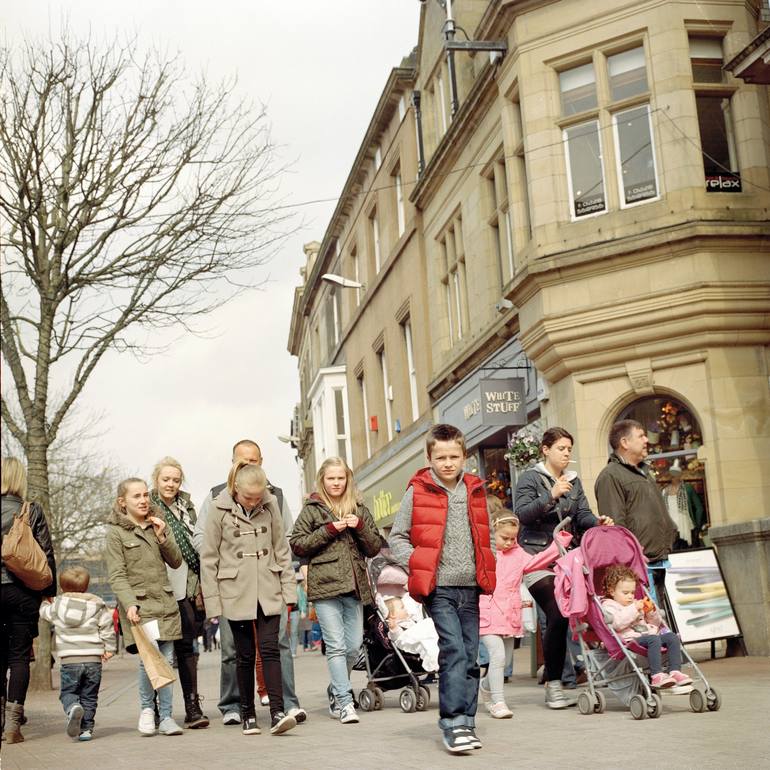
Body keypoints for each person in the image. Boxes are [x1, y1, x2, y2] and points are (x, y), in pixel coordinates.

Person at [388, 424, 496, 755]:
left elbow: (484, 534)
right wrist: (420, 562)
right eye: (440, 457)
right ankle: (451, 723)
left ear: (464, 456)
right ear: (429, 457)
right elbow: (397, 537)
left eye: (453, 456)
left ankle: (467, 721)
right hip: (440, 588)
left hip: (470, 588)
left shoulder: (475, 490)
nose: (448, 463)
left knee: (473, 656)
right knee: (453, 651)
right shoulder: (418, 491)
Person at [192, 439, 306, 725]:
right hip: (234, 587)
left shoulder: (274, 497)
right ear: (233, 463)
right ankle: (237, 707)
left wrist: (288, 590)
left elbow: (284, 544)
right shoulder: (216, 498)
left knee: (275, 647)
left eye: (253, 460)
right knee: (236, 651)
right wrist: (219, 587)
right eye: (242, 461)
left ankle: (283, 706)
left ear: (261, 460)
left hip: (267, 586)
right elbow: (204, 547)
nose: (249, 465)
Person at [514, 426, 613, 710]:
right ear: (545, 450)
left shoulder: (573, 480)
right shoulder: (530, 478)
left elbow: (581, 514)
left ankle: (589, 670)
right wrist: (551, 495)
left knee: (576, 615)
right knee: (556, 615)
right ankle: (554, 685)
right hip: (536, 557)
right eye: (561, 448)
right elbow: (522, 514)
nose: (567, 454)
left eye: (569, 449)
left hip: (565, 557)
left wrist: (597, 521)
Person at [290, 457, 382, 726]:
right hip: (325, 585)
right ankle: (344, 702)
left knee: (353, 646)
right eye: (331, 478)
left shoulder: (359, 507)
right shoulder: (313, 509)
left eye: (340, 478)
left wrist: (360, 527)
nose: (336, 483)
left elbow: (374, 547)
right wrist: (329, 530)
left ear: (348, 479)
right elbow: (297, 544)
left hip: (354, 586)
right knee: (336, 646)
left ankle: (334, 689)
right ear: (322, 479)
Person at [104, 477, 184, 737]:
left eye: (145, 495)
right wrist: (129, 603)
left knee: (168, 660)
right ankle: (148, 710)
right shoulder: (116, 532)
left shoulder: (158, 524)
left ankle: (168, 717)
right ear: (122, 502)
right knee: (148, 662)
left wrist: (162, 536)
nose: (143, 500)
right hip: (139, 607)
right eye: (136, 496)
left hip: (165, 604)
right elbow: (117, 575)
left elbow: (176, 561)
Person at [478, 510, 573, 719]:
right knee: (498, 656)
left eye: (513, 538)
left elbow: (537, 561)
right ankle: (499, 702)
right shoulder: (482, 552)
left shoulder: (518, 554)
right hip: (487, 612)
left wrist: (559, 542)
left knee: (504, 660)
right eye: (505, 538)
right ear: (492, 532)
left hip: (509, 615)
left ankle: (485, 686)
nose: (510, 542)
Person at [1, 457, 57, 744]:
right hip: (21, 592)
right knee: (19, 656)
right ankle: (13, 726)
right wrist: (50, 592)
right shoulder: (30, 509)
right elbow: (45, 553)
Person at [149, 457, 209, 729]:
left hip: (186, 582)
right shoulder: (147, 505)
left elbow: (197, 538)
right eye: (166, 479)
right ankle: (153, 709)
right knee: (156, 650)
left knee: (187, 647)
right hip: (158, 584)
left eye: (175, 479)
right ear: (156, 480)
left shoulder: (187, 506)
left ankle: (192, 706)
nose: (171, 484)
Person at [595, 420, 678, 602]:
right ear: (625, 443)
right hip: (639, 569)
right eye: (640, 436)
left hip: (660, 561)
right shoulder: (610, 476)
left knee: (661, 623)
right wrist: (631, 565)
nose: (646, 440)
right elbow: (615, 529)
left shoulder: (644, 472)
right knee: (648, 624)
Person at [39, 566, 116, 741]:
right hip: (93, 660)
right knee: (89, 695)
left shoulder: (58, 605)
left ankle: (73, 707)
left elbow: (44, 613)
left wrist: (44, 601)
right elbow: (107, 628)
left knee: (68, 692)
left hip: (69, 660)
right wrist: (109, 649)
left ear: (62, 587)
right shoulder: (97, 605)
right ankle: (86, 730)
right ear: (86, 586)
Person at [601, 565, 692, 687]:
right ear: (612, 591)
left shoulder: (635, 603)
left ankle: (675, 671)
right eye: (625, 593)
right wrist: (634, 608)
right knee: (653, 639)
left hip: (647, 636)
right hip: (629, 640)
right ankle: (656, 675)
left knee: (672, 637)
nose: (630, 596)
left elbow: (655, 624)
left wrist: (651, 612)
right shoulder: (609, 606)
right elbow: (617, 623)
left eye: (632, 592)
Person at [661, 464, 705, 549]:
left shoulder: (687, 488)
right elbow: (662, 512)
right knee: (676, 556)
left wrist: (697, 525)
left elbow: (699, 508)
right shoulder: (664, 492)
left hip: (687, 528)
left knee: (690, 554)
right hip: (672, 530)